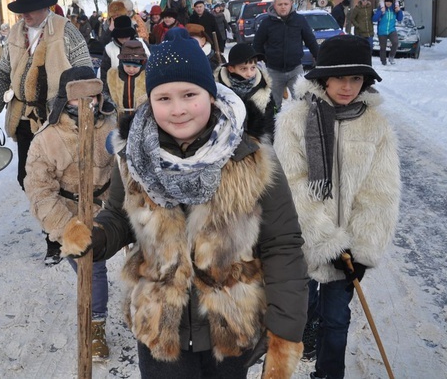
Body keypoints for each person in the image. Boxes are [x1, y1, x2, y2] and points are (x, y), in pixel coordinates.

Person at [60, 33, 308, 378]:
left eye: (189, 95)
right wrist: (96, 236)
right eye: (164, 98)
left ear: (210, 93)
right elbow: (118, 215)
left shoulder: (251, 156)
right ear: (150, 101)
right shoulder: (134, 156)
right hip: (160, 328)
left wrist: (285, 330)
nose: (177, 109)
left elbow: (282, 245)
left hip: (230, 329)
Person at [273, 35, 400, 379]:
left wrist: (361, 249)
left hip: (348, 250)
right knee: (302, 308)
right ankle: (308, 328)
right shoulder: (294, 120)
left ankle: (328, 375)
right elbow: (294, 185)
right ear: (323, 78)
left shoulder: (377, 126)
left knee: (338, 319)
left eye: (356, 78)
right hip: (302, 240)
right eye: (340, 77)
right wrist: (324, 239)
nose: (347, 86)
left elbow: (381, 193)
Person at [0, 0, 92, 266]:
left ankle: (58, 238)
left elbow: (85, 72)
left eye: (30, 9)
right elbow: (3, 74)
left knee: (61, 179)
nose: (25, 15)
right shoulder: (16, 34)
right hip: (25, 117)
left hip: (59, 117)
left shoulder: (67, 31)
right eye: (21, 10)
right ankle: (53, 227)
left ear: (46, 7)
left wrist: (79, 109)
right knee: (28, 179)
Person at [24, 66, 117, 361]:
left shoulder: (111, 127)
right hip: (69, 214)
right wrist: (67, 228)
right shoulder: (46, 139)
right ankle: (96, 324)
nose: (87, 104)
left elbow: (126, 172)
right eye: (78, 98)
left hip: (106, 210)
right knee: (91, 268)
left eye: (92, 96)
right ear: (66, 100)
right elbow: (39, 192)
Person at [252, 0, 319, 110]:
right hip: (274, 72)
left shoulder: (299, 20)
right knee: (272, 105)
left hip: (295, 69)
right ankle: (272, 127)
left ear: (291, 4)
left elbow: (311, 41)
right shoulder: (267, 23)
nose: (283, 7)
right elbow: (257, 44)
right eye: (280, 4)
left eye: (286, 4)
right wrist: (263, 60)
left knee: (301, 103)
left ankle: (299, 127)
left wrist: (320, 57)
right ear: (274, 5)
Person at [214, 42, 275, 142]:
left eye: (253, 68)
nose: (249, 74)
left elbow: (270, 118)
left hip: (260, 141)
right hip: (228, 143)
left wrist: (266, 140)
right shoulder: (220, 91)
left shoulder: (264, 89)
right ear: (231, 68)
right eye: (243, 69)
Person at [99, 16, 150, 86]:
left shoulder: (143, 45)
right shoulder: (109, 49)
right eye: (121, 37)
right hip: (116, 90)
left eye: (126, 37)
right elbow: (104, 74)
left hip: (141, 90)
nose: (124, 40)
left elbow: (150, 68)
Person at [105, 40, 147, 118]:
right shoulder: (113, 74)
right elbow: (105, 92)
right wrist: (111, 105)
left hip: (140, 117)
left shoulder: (146, 75)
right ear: (122, 62)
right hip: (118, 117)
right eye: (127, 66)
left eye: (135, 67)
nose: (131, 70)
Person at [373, 0, 403, 66]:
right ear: (385, 2)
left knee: (395, 42)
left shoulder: (394, 10)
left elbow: (400, 19)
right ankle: (383, 61)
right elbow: (374, 19)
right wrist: (380, 11)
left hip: (391, 30)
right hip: (382, 31)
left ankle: (391, 56)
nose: (388, 3)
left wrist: (399, 11)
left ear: (392, 3)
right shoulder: (381, 9)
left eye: (390, 2)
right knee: (383, 47)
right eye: (387, 2)